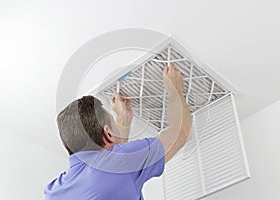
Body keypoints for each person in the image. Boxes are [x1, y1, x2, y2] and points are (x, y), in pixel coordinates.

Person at [44, 64, 192, 200]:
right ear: (107, 134)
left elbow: (111, 165)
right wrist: (174, 89)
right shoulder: (117, 165)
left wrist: (123, 118)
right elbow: (180, 133)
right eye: (112, 121)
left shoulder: (53, 192)